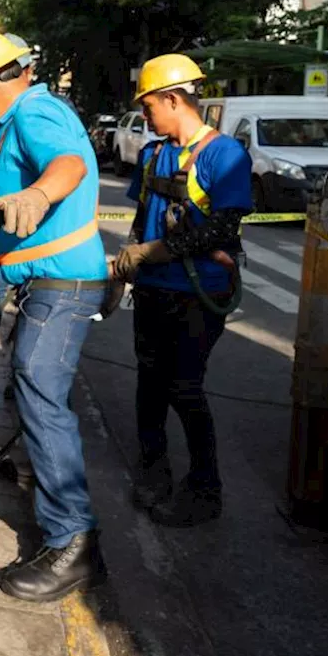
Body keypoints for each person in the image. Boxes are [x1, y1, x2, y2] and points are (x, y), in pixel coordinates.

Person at [0, 28, 108, 603]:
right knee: (32, 386)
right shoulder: (28, 115)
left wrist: (38, 195)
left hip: (62, 286)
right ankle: (47, 492)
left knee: (40, 390)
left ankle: (72, 543)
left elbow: (65, 166)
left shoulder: (34, 113)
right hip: (51, 280)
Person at [110, 54, 252, 527]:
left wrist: (155, 252)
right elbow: (139, 220)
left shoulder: (224, 155)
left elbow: (223, 228)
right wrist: (127, 268)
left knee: (184, 387)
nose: (145, 117)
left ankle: (204, 489)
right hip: (152, 291)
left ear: (173, 99)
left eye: (149, 106)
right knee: (149, 383)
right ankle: (154, 470)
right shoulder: (153, 156)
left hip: (198, 294)